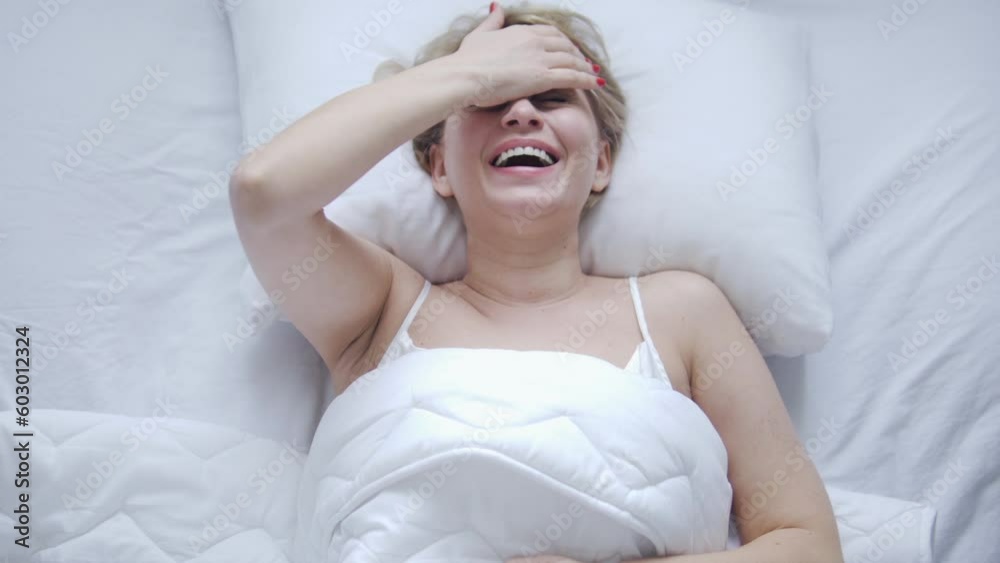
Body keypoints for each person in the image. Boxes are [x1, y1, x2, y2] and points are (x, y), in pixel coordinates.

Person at [229, 2, 842, 561]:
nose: (520, 111)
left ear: (600, 162)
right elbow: (263, 194)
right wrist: (463, 76)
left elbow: (809, 544)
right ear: (439, 165)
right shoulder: (381, 310)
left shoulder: (684, 313)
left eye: (552, 99)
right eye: (492, 102)